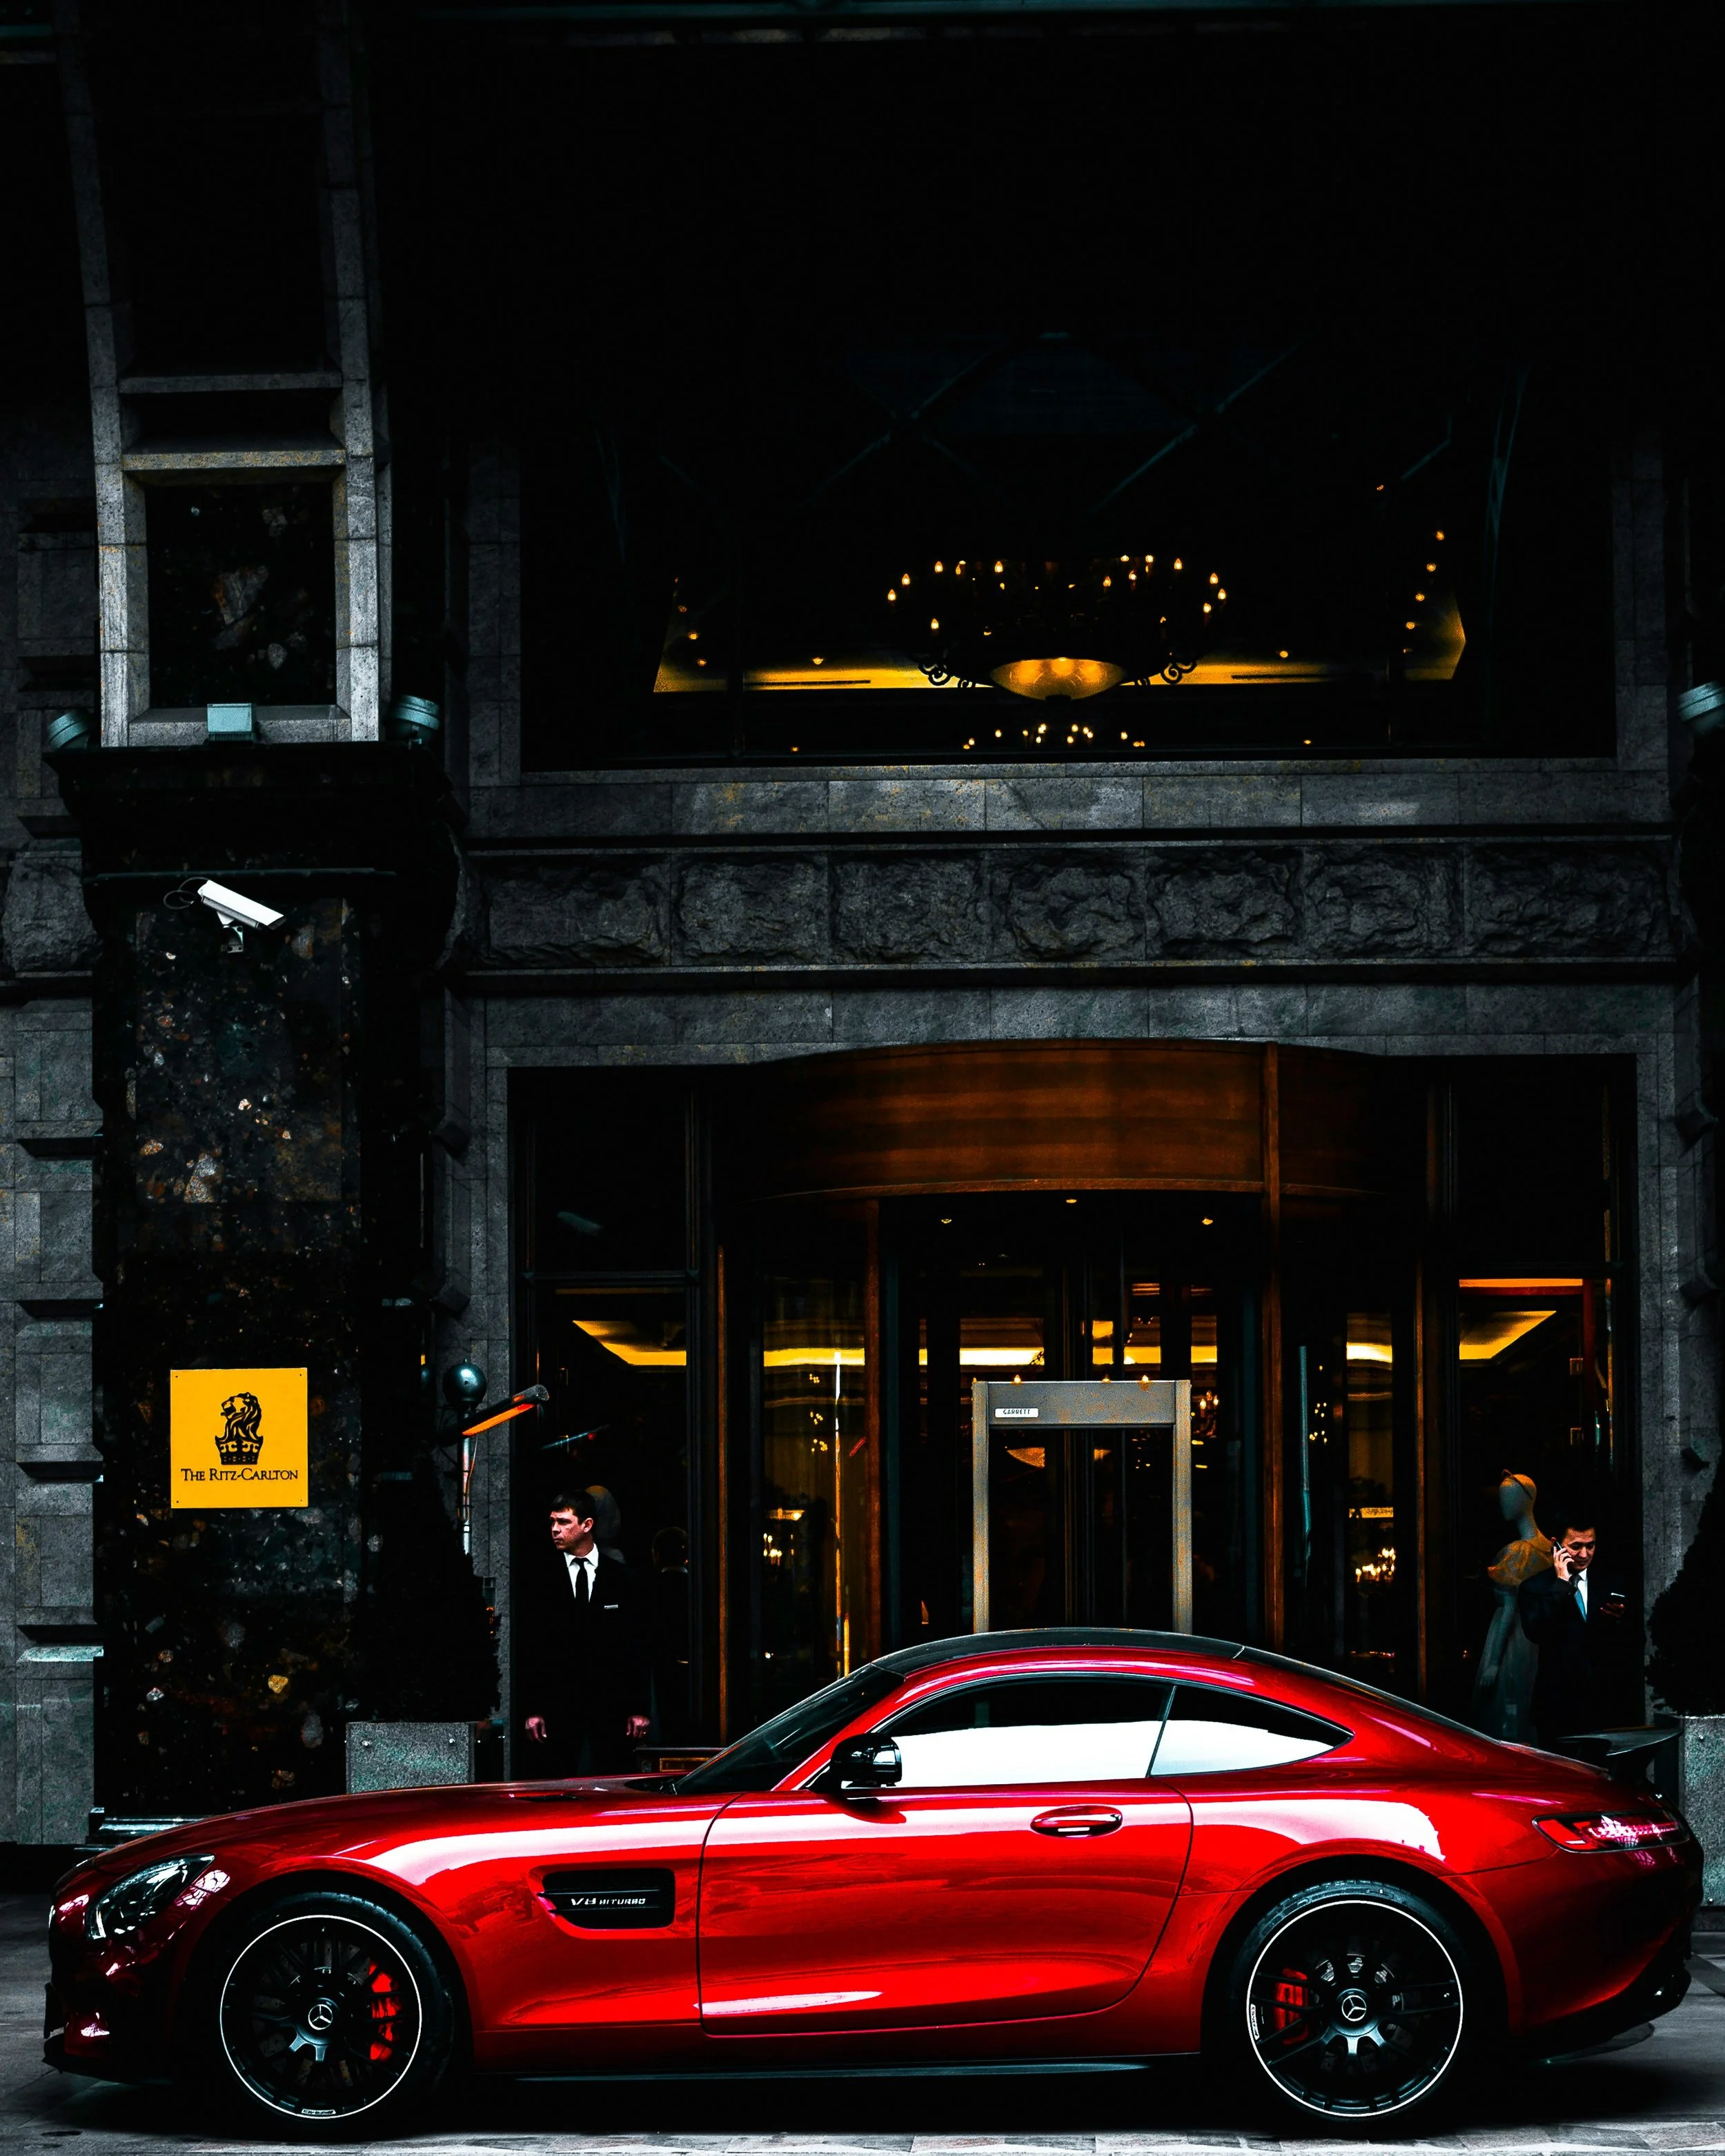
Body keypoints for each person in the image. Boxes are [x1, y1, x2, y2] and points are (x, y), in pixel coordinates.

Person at [520, 1491, 651, 1775]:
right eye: (553, 1522)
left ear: (587, 1525)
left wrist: (639, 1708)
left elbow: (636, 1645)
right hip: (558, 1708)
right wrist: (532, 1709)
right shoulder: (539, 1579)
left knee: (612, 1781)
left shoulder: (623, 1579)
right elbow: (531, 1648)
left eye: (564, 1522)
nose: (555, 1529)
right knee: (556, 1783)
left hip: (610, 1706)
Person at [1517, 1499, 1632, 1747]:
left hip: (1603, 1704)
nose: (1584, 1554)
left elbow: (1635, 1641)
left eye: (1591, 1546)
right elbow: (1535, 1631)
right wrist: (1561, 1583)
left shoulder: (1611, 1582)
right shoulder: (1535, 1588)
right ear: (1555, 1545)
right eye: (1576, 1546)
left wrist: (1619, 1622)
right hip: (1557, 1705)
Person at [1472, 1472, 1550, 1742]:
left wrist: (1494, 1662)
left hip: (1513, 1637)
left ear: (1524, 1501)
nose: (1503, 1504)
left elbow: (1508, 1606)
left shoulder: (1520, 1552)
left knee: (1509, 1701)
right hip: (1534, 1636)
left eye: (1508, 1498)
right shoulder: (1548, 1547)